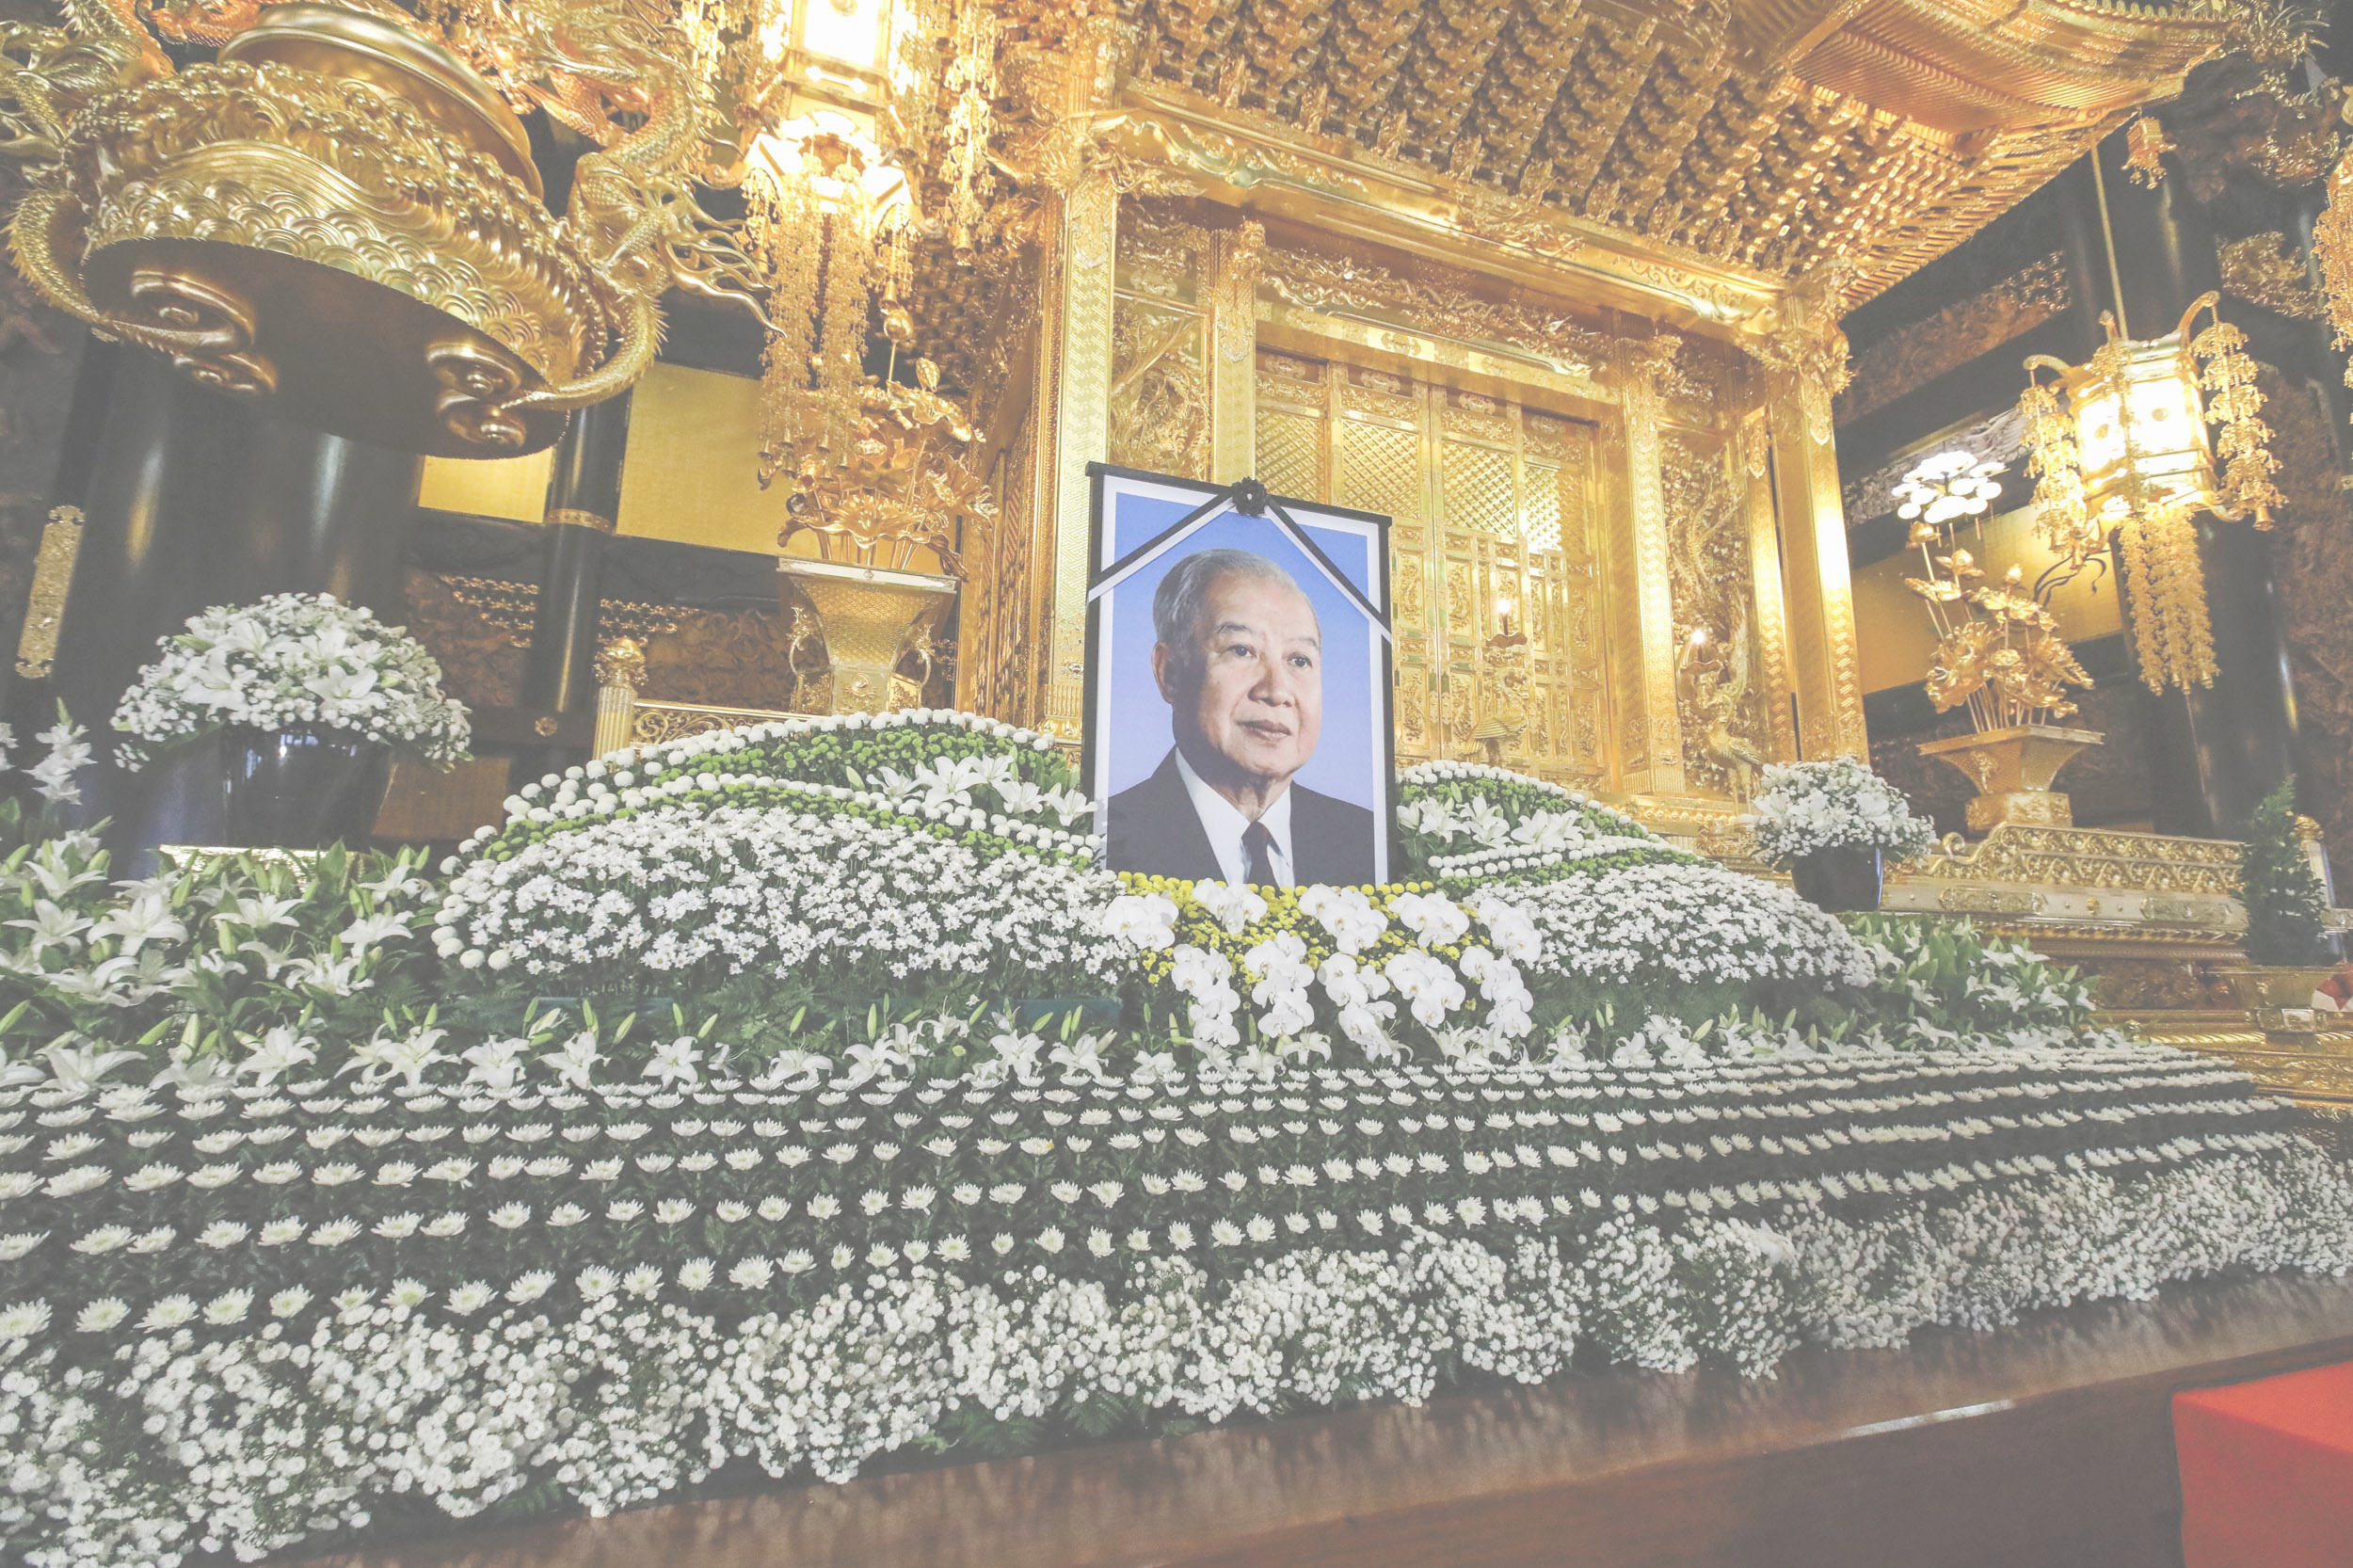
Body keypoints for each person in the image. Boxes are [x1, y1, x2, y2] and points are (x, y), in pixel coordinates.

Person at [1105, 547, 1376, 887]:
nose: (1276, 691)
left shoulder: (1370, 845)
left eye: (1299, 660)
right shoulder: (1101, 842)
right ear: (1170, 672)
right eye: (1241, 650)